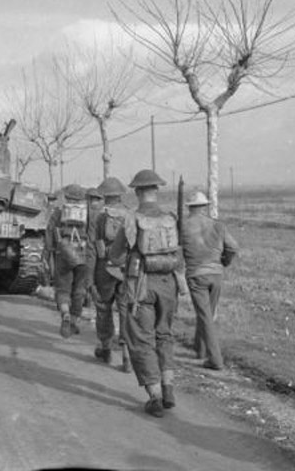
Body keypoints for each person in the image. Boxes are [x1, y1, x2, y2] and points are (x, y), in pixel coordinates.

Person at [107, 169, 188, 417]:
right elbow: (178, 255)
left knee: (140, 338)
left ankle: (155, 395)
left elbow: (116, 255)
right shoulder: (170, 217)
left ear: (138, 192)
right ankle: (168, 385)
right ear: (156, 190)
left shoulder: (131, 219)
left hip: (140, 285)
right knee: (164, 334)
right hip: (168, 285)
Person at [181, 191, 239, 371]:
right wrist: (224, 261)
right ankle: (200, 349)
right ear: (204, 206)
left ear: (190, 207)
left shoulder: (183, 226)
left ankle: (215, 360)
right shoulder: (217, 225)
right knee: (207, 313)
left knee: (205, 315)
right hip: (216, 274)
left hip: (196, 275)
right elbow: (233, 247)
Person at [92, 176, 132, 372]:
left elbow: (94, 247)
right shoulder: (130, 215)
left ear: (104, 196)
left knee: (103, 306)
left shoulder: (100, 217)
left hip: (105, 266)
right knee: (125, 309)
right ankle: (126, 355)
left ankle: (106, 348)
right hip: (126, 268)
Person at [46, 183, 90, 338]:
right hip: (83, 253)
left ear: (66, 196)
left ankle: (65, 314)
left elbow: (50, 233)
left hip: (63, 253)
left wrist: (48, 254)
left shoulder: (59, 212)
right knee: (80, 290)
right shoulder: (87, 214)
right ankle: (74, 321)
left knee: (63, 288)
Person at [84, 187, 104, 309]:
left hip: (90, 246)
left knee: (89, 273)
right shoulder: (103, 212)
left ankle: (89, 299)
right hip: (102, 247)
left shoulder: (88, 212)